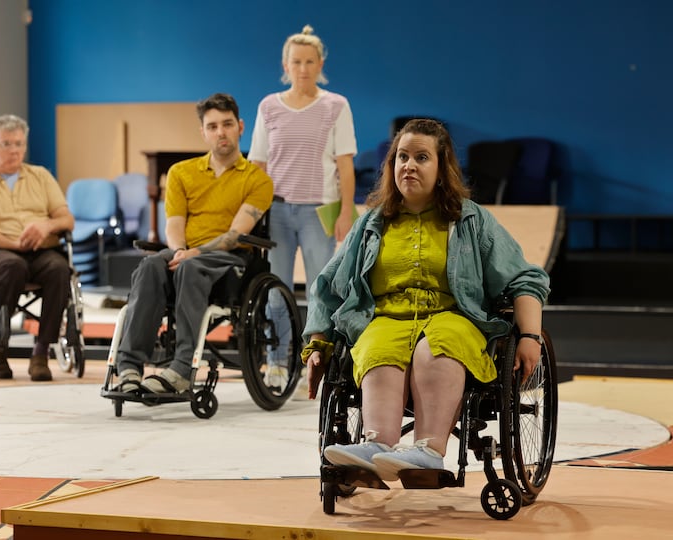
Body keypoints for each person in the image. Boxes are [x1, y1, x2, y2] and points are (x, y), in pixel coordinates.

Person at [301, 119, 550, 481]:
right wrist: (318, 344)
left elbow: (524, 277)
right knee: (378, 344)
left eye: (421, 157)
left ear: (441, 166)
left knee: (437, 345)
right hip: (386, 317)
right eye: (402, 157)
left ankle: (429, 452)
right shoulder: (372, 223)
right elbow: (329, 286)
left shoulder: (470, 220)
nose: (409, 166)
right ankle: (376, 446)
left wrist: (530, 336)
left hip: (453, 316)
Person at [114, 93, 274, 395]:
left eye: (227, 124)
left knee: (191, 267)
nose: (220, 132)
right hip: (185, 251)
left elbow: (236, 234)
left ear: (240, 127)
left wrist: (193, 254)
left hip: (230, 258)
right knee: (150, 266)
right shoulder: (181, 173)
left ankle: (181, 368)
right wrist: (179, 252)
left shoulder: (258, 179)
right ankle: (129, 367)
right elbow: (173, 224)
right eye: (212, 126)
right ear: (203, 132)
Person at [248, 24, 357, 389]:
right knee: (276, 290)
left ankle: (317, 360)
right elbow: (258, 165)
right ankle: (278, 360)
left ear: (320, 63)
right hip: (275, 211)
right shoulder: (268, 107)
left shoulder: (336, 106)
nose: (304, 68)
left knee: (319, 291)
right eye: (297, 61)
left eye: (310, 61)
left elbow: (345, 165)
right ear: (286, 64)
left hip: (318, 212)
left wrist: (345, 213)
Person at [0, 114, 75, 381]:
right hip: (0, 250)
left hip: (41, 249)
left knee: (60, 269)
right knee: (13, 266)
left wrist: (46, 227)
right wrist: (14, 244)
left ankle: (41, 351)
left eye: (19, 144)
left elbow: (66, 218)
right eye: (6, 144)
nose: (13, 150)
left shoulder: (41, 176)